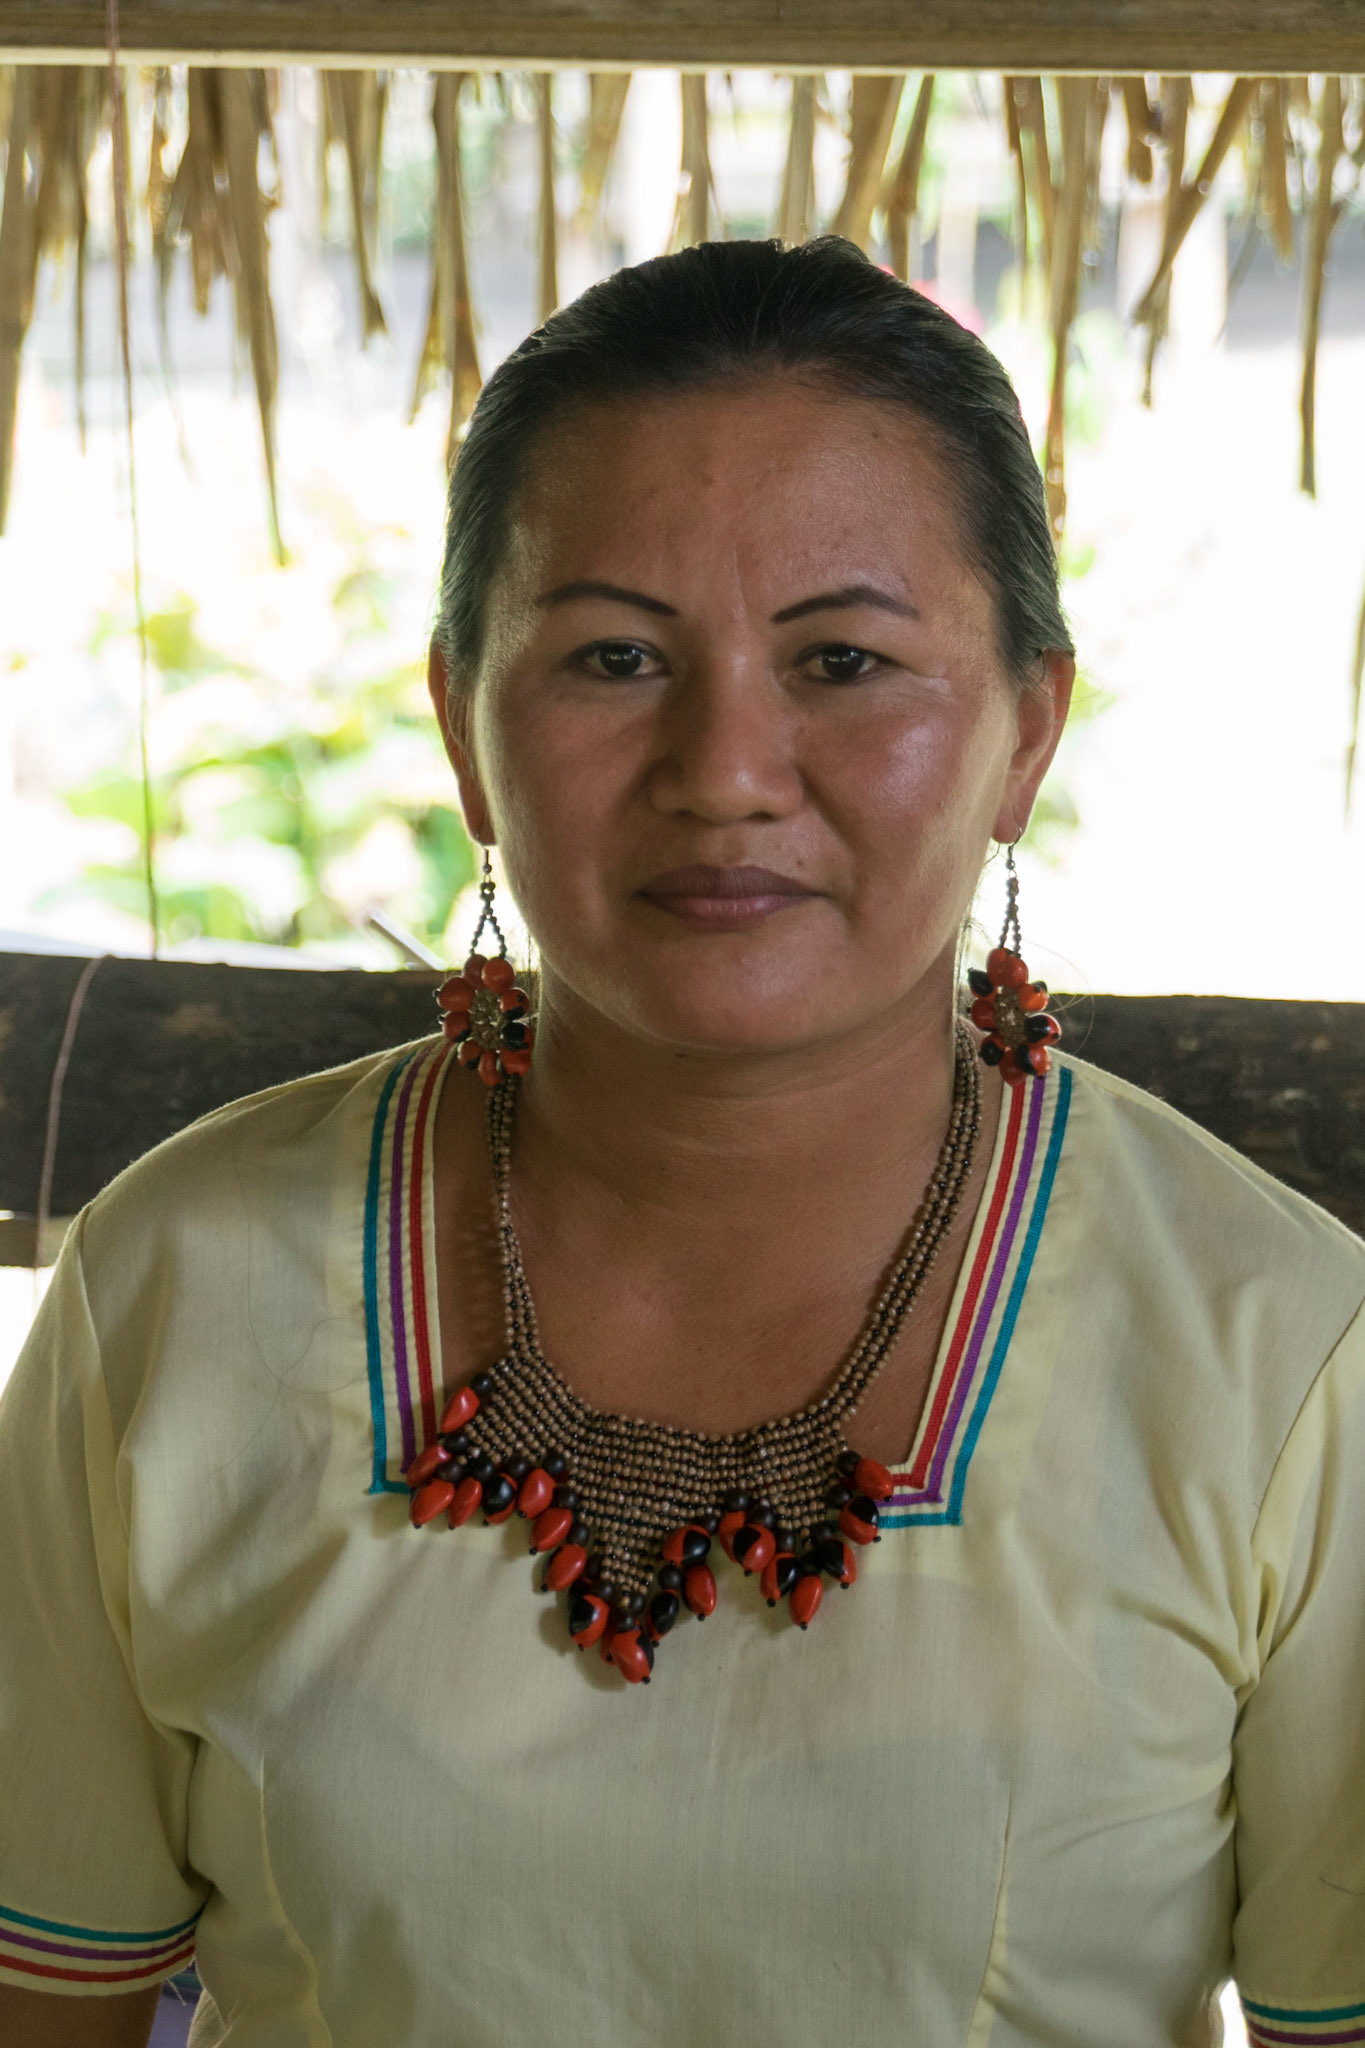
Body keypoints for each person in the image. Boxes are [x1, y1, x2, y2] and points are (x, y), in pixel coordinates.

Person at [0, 237, 1361, 2048]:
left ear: (1024, 731)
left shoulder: (1277, 1357)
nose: (725, 765)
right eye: (616, 655)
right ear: (466, 733)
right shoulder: (176, 1291)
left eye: (845, 659)